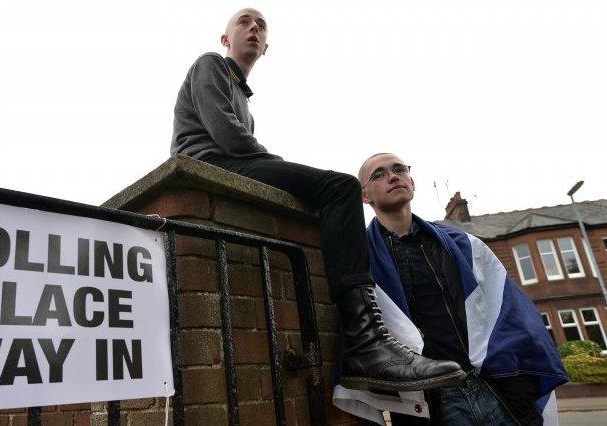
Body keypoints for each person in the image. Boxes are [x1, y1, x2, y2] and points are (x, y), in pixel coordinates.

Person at [170, 8, 466, 391]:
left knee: (324, 193)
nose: (254, 28)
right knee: (339, 188)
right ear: (226, 39)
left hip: (229, 162)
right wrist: (281, 165)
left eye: (261, 25)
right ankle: (366, 344)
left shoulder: (243, 93)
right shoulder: (210, 64)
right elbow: (228, 137)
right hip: (212, 163)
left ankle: (369, 340)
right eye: (244, 22)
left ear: (267, 47)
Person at [339, 152, 568, 424]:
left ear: (412, 182)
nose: (392, 176)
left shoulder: (464, 245)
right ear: (365, 196)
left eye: (399, 169)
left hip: (492, 391)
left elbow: (511, 312)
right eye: (379, 174)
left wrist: (518, 389)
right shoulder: (359, 260)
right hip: (430, 404)